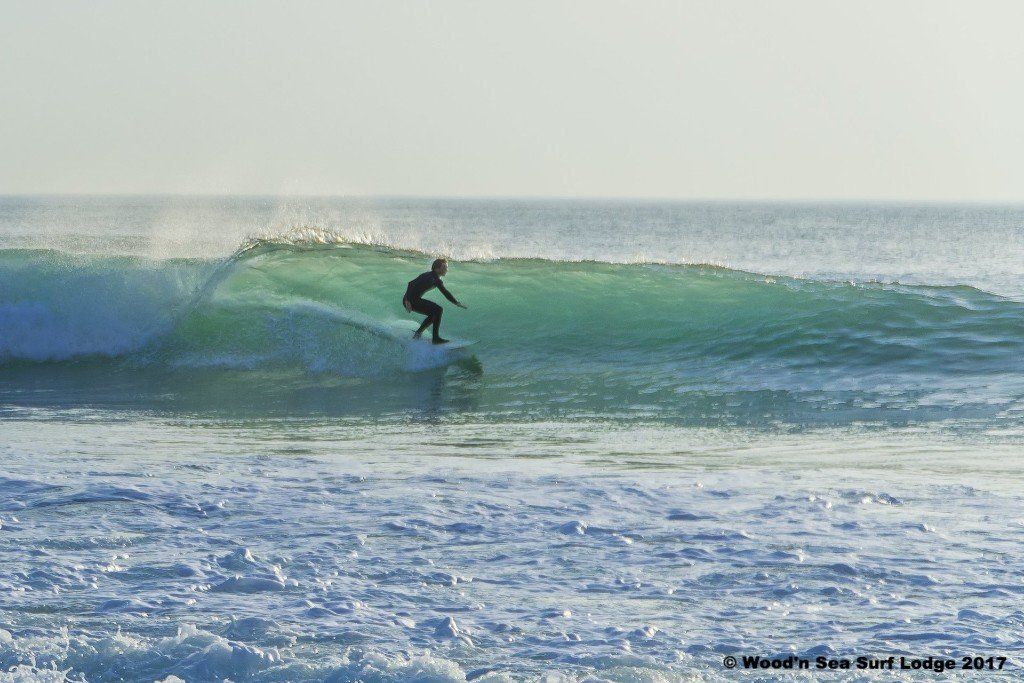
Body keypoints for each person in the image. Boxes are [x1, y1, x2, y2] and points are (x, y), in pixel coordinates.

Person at [403, 258, 467, 344]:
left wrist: (456, 303)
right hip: (410, 300)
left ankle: (418, 334)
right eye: (444, 268)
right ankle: (435, 338)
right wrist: (407, 301)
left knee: (433, 314)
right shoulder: (431, 278)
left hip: (411, 299)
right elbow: (410, 284)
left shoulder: (433, 277)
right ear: (437, 268)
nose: (446, 270)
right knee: (438, 310)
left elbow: (445, 293)